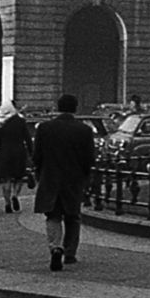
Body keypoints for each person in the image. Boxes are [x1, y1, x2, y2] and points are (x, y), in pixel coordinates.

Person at [34, 93, 96, 271]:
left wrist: (40, 173)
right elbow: (89, 158)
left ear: (58, 107)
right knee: (73, 216)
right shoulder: (84, 130)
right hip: (74, 178)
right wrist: (86, 177)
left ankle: (55, 246)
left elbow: (37, 156)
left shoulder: (44, 128)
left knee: (52, 215)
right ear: (75, 108)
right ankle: (70, 252)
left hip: (50, 176)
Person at [0, 101, 31, 213]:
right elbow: (27, 138)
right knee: (19, 177)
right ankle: (15, 195)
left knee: (6, 179)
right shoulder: (20, 121)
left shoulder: (0, 123)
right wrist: (31, 152)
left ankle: (7, 203)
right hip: (19, 152)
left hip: (5, 152)